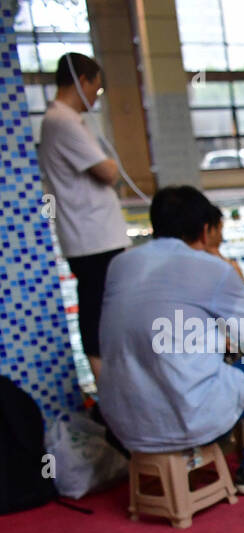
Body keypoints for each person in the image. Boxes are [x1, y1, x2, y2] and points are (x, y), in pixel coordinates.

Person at [97, 186, 244, 494]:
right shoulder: (211, 267)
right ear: (206, 229)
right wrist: (227, 267)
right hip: (186, 418)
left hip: (123, 424)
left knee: (232, 354)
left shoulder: (121, 264)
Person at [37, 53, 128, 385]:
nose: (95, 98)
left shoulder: (62, 120)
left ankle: (113, 392)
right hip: (93, 240)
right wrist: (114, 168)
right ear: (83, 81)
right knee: (97, 315)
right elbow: (108, 172)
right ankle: (111, 395)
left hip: (91, 236)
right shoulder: (63, 121)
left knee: (104, 312)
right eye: (97, 89)